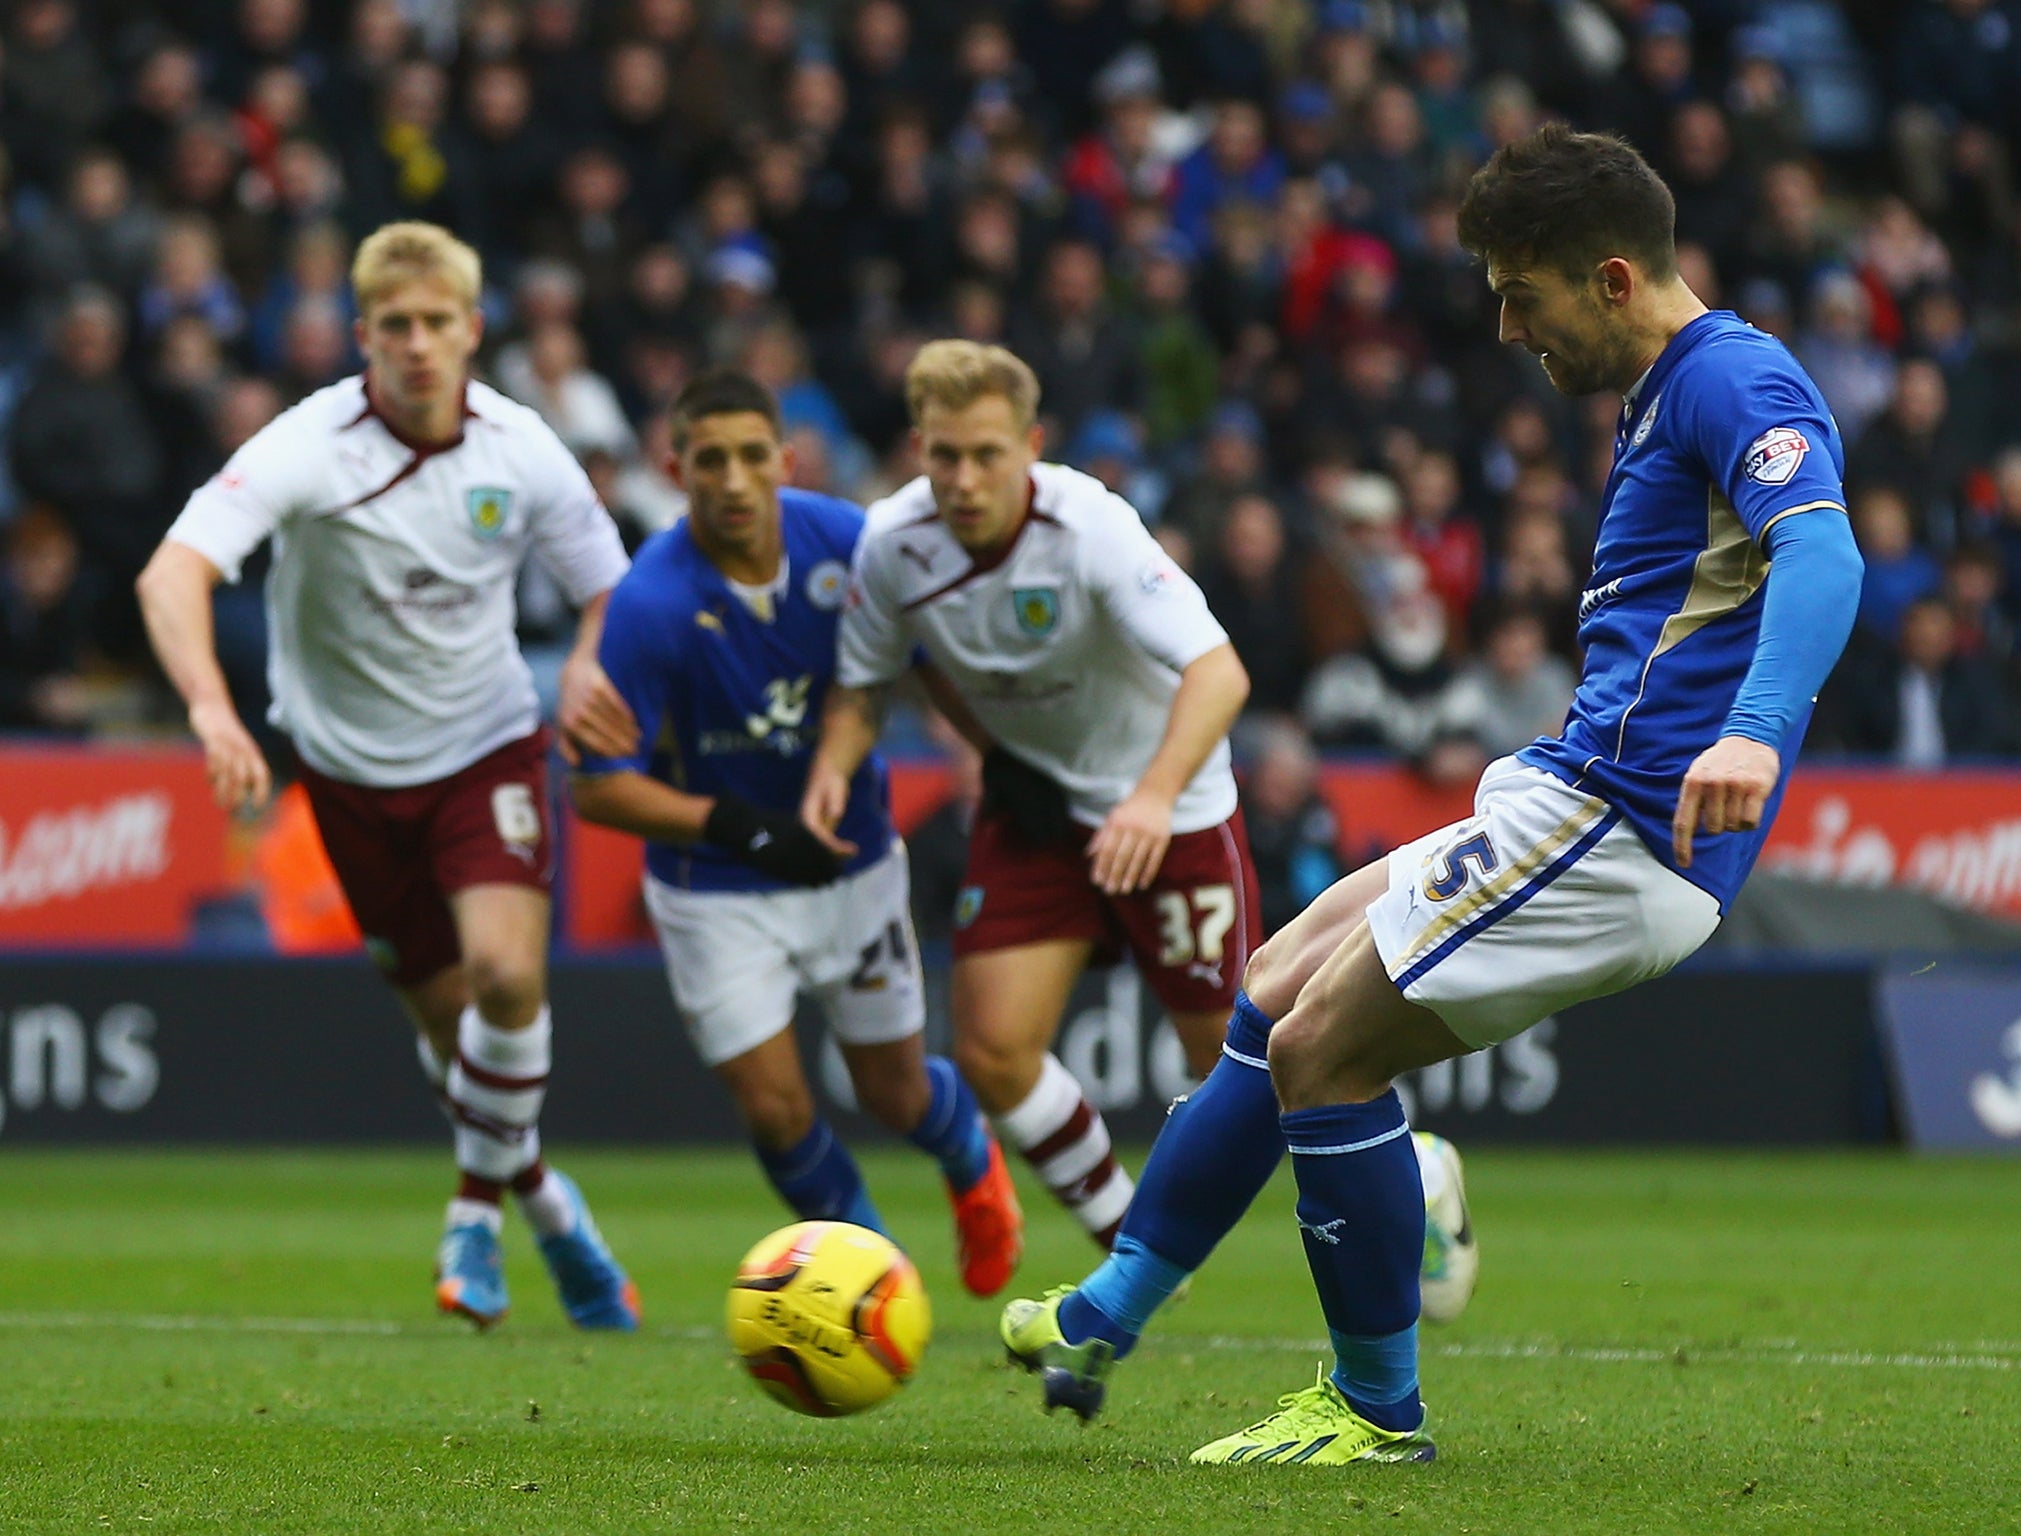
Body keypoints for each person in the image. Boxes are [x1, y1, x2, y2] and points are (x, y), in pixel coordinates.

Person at [997, 124, 1864, 1465]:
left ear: (1616, 278)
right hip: (1570, 793)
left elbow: (1823, 556)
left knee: (1319, 1059)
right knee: (1277, 980)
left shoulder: (1733, 379)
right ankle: (1115, 1308)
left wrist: (1753, 730)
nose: (1509, 329)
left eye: (1524, 294)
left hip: (1625, 834)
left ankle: (1373, 1409)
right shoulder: (1668, 392)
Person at [134, 221, 641, 1333]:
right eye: (395, 327)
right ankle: (551, 1209)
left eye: (437, 325)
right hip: (350, 778)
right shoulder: (309, 445)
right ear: (363, 334)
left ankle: (471, 1212)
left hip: (487, 749)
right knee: (452, 1028)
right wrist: (212, 710)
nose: (417, 346)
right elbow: (171, 574)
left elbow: (614, 585)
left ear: (473, 331)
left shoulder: (522, 449)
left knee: (508, 981)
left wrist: (589, 669)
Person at [565, 369, 1023, 1297]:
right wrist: (741, 826)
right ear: (674, 466)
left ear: (785, 458)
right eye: (709, 461)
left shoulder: (849, 544)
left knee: (894, 1092)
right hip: (713, 890)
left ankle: (971, 1159)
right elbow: (597, 788)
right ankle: (872, 1275)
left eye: (749, 458)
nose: (732, 480)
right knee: (776, 1110)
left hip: (850, 864)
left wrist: (997, 757)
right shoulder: (650, 603)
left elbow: (929, 663)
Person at [799, 339, 1257, 1251]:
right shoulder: (892, 545)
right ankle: (1126, 1240)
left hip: (1169, 808)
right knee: (994, 1053)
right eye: (943, 456)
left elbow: (1219, 672)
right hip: (1037, 806)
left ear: (1031, 444)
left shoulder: (1091, 527)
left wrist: (1153, 799)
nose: (963, 480)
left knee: (1235, 1070)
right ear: (917, 449)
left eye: (986, 455)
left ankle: (1415, 1165)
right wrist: (830, 767)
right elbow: (864, 683)